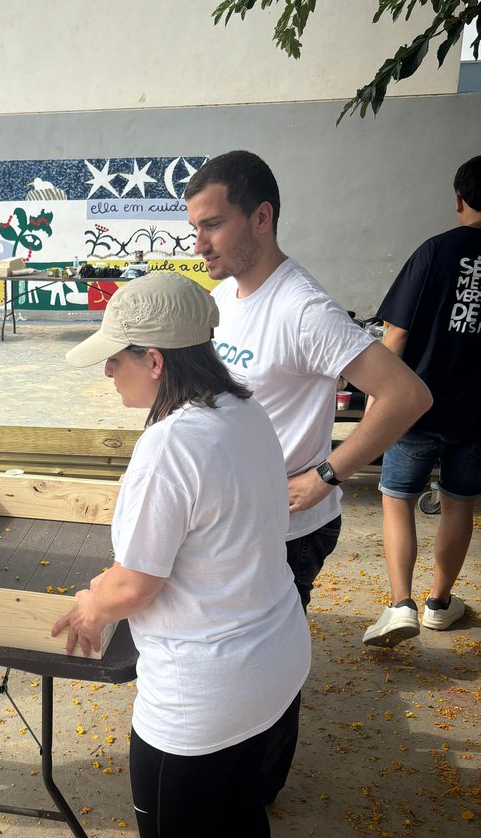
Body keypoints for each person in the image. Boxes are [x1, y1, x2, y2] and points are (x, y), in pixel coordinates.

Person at [51, 272, 311, 838]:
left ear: (156, 360)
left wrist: (91, 605)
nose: (109, 371)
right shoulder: (244, 410)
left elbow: (136, 582)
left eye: (117, 358)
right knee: (240, 807)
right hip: (273, 659)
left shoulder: (170, 444)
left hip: (203, 689)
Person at [183, 152, 431, 801]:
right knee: (231, 658)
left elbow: (406, 395)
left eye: (213, 225)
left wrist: (327, 473)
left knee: (268, 666)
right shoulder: (223, 298)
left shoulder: (303, 308)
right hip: (233, 521)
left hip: (288, 530)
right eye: (194, 227)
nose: (199, 242)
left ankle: (256, 798)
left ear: (261, 218)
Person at [362, 155, 481, 646]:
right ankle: (439, 604)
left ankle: (399, 606)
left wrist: (378, 404)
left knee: (397, 499)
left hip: (416, 406)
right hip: (477, 417)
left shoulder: (434, 251)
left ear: (459, 199)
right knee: (459, 505)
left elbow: (395, 335)